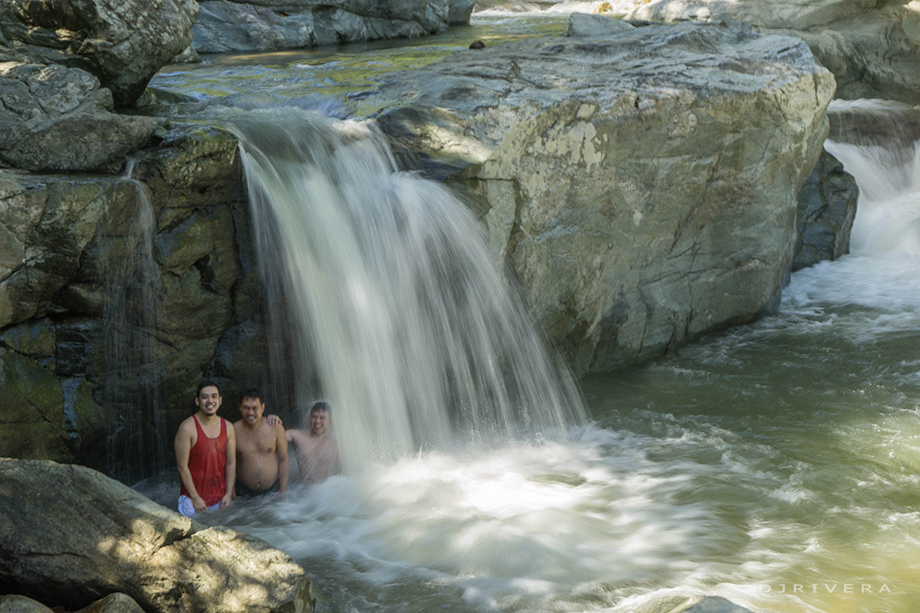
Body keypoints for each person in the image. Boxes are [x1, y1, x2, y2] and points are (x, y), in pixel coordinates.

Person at [174, 380, 236, 517]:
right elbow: (182, 466)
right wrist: (195, 498)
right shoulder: (187, 428)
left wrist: (228, 493)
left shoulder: (228, 427)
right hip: (192, 501)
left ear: (220, 400)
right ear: (197, 401)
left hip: (221, 499)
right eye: (204, 397)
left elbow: (231, 463)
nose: (210, 401)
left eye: (214, 396)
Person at [232, 388, 289, 498]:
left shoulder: (275, 427)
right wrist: (232, 493)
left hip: (273, 490)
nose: (250, 412)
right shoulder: (233, 430)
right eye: (246, 408)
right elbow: (228, 463)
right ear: (240, 407)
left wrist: (283, 490)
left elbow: (284, 459)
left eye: (255, 408)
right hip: (244, 493)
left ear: (262, 408)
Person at [285, 402, 341, 483]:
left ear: (330, 420)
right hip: (304, 492)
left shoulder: (337, 441)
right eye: (314, 417)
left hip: (330, 490)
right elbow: (275, 437)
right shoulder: (297, 436)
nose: (317, 421)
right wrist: (274, 423)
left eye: (322, 418)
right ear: (309, 418)